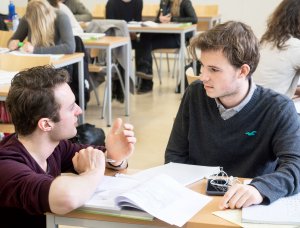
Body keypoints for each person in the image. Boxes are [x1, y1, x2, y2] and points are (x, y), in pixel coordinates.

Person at [165, 21, 300, 209]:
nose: (203, 76)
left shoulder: (278, 108)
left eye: (214, 69)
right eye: (202, 66)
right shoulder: (195, 93)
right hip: (196, 201)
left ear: (243, 71)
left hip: (249, 205)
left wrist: (259, 189)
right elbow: (175, 156)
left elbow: (296, 166)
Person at [0, 65, 136, 227]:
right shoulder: (6, 166)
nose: (79, 110)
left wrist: (114, 157)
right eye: (71, 107)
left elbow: (94, 156)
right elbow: (66, 198)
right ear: (46, 124)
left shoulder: (55, 147)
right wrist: (94, 172)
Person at [135, 0, 197, 94]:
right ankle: (145, 76)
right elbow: (158, 21)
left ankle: (146, 79)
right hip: (164, 35)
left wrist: (173, 20)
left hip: (177, 38)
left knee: (145, 44)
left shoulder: (185, 2)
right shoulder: (164, 2)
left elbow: (194, 19)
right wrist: (159, 19)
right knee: (143, 38)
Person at [253, 0, 300, 98]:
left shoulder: (266, 41)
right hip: (272, 108)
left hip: (256, 103)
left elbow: (272, 83)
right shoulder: (295, 46)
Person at [8, 0, 75, 54]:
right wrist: (12, 43)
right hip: (33, 62)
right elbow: (13, 40)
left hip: (59, 63)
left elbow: (69, 47)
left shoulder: (61, 17)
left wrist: (35, 50)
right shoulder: (28, 17)